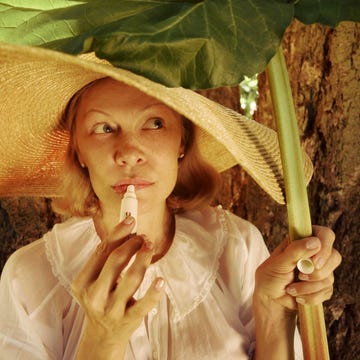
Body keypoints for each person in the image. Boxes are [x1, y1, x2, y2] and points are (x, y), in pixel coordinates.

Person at [0, 43, 341, 360]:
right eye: (104, 128)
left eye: (154, 123)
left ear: (182, 142)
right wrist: (101, 341)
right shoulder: (28, 276)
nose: (129, 153)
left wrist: (273, 310)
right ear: (79, 152)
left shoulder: (237, 247)